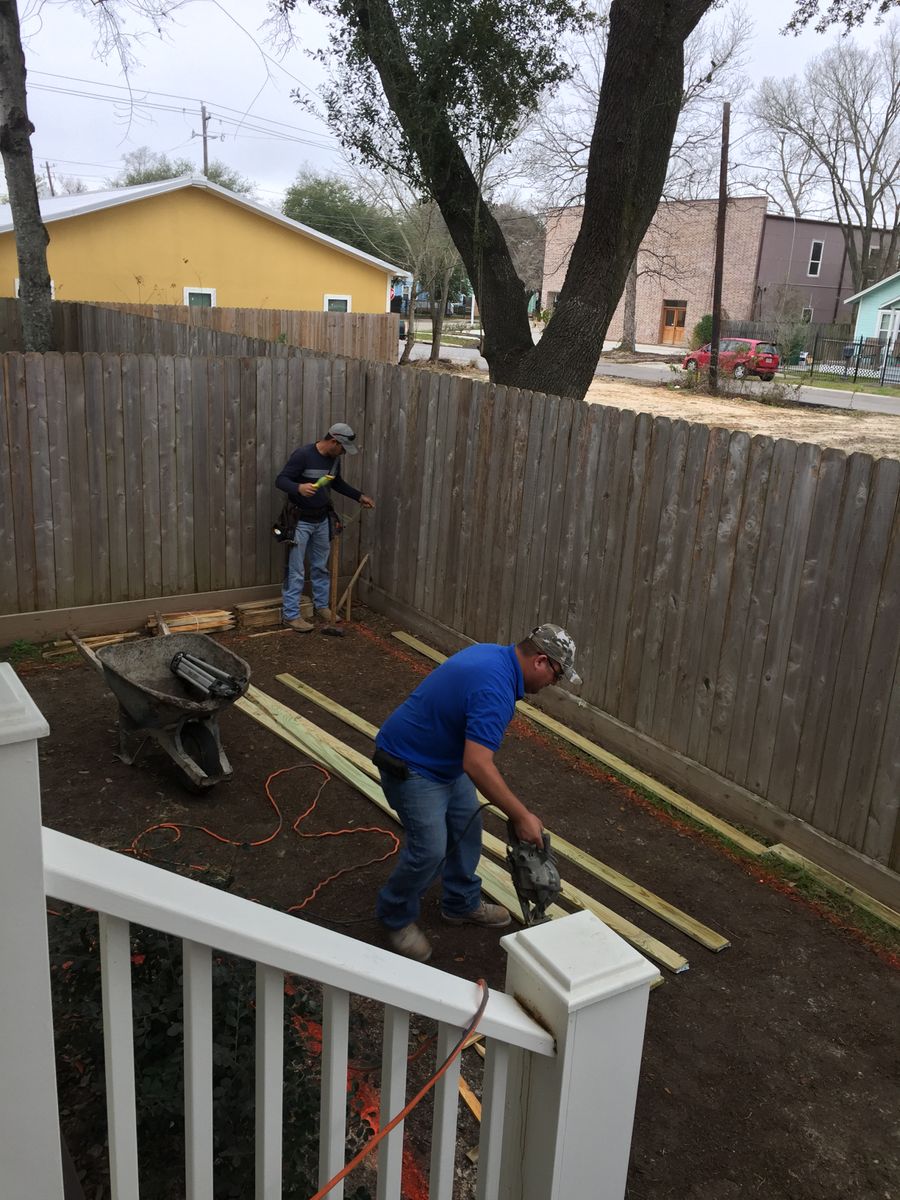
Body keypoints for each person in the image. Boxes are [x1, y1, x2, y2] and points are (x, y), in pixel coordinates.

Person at [374, 623, 581, 962]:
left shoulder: (495, 656)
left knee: (467, 830)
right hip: (410, 764)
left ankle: (459, 903)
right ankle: (394, 917)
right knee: (430, 850)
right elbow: (478, 763)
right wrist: (521, 815)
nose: (553, 685)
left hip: (443, 761)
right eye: (556, 676)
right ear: (541, 661)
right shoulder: (495, 689)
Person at [275, 422, 375, 632]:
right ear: (333, 441)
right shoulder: (302, 455)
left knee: (320, 566)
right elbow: (281, 480)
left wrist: (359, 496)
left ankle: (322, 606)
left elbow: (336, 483)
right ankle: (291, 615)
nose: (344, 454)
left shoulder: (334, 460)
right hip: (299, 521)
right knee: (296, 570)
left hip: (321, 520)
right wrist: (299, 487)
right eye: (342, 448)